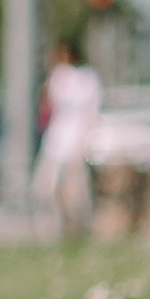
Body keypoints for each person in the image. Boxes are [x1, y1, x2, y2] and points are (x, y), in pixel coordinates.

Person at [36, 39, 102, 238]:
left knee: (77, 193)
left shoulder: (87, 78)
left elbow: (92, 111)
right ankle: (56, 229)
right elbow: (47, 106)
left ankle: (80, 230)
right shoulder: (58, 77)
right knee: (46, 189)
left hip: (77, 142)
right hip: (55, 142)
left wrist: (88, 140)